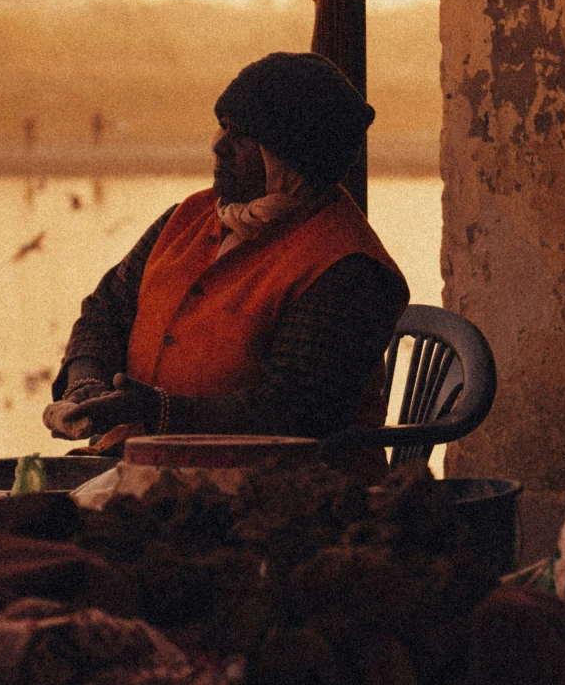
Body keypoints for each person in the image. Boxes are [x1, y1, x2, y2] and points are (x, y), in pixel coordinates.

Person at [44, 52, 408, 447]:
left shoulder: (349, 267)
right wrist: (86, 381)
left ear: (289, 158)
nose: (219, 147)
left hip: (283, 495)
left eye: (242, 137)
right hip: (147, 469)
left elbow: (290, 413)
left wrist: (155, 411)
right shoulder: (186, 217)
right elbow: (106, 308)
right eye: (222, 127)